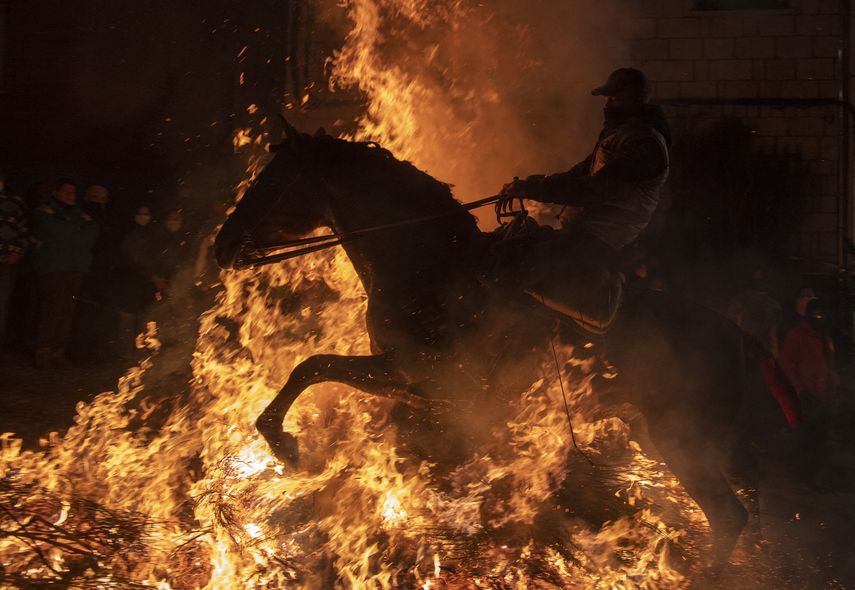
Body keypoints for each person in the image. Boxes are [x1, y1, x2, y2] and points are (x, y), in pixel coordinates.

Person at [496, 67, 671, 331]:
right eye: (607, 96)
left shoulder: (643, 144)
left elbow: (593, 190)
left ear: (635, 98)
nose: (608, 101)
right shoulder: (617, 136)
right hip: (583, 233)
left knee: (518, 267)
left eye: (615, 96)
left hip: (601, 240)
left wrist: (531, 188)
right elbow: (577, 175)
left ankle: (600, 306)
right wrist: (528, 185)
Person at [31, 179, 99, 368]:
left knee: (67, 311)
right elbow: (55, 231)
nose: (70, 196)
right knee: (51, 309)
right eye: (66, 192)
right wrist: (74, 233)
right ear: (56, 193)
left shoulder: (80, 214)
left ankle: (57, 352)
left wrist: (68, 234)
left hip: (75, 267)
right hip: (53, 267)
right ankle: (43, 351)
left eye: (73, 193)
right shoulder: (45, 211)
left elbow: (93, 232)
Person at [779, 298, 838, 488]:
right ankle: (800, 479)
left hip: (824, 396)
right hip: (806, 397)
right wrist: (800, 391)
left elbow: (829, 365)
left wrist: (834, 385)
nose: (820, 318)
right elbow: (787, 367)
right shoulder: (797, 336)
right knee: (806, 439)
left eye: (823, 315)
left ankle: (815, 478)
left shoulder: (824, 337)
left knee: (821, 439)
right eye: (816, 315)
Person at [0, 170, 29, 350]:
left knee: (1, 303)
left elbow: (24, 229)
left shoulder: (14, 202)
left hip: (6, 260)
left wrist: (17, 252)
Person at [727, 267, 782, 357]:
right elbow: (732, 326)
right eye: (756, 279)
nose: (758, 281)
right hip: (744, 350)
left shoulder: (772, 304)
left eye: (761, 279)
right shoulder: (740, 300)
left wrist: (774, 354)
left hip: (764, 352)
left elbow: (774, 332)